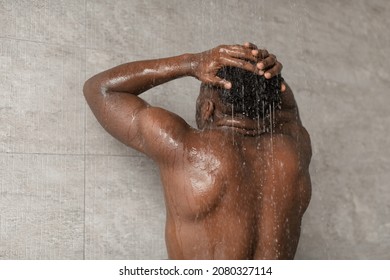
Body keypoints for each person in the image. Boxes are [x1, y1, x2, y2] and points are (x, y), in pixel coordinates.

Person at [83, 42, 312, 260]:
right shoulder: (295, 149)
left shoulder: (184, 147)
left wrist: (191, 63)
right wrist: (269, 73)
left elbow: (100, 90)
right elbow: (287, 110)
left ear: (206, 108)